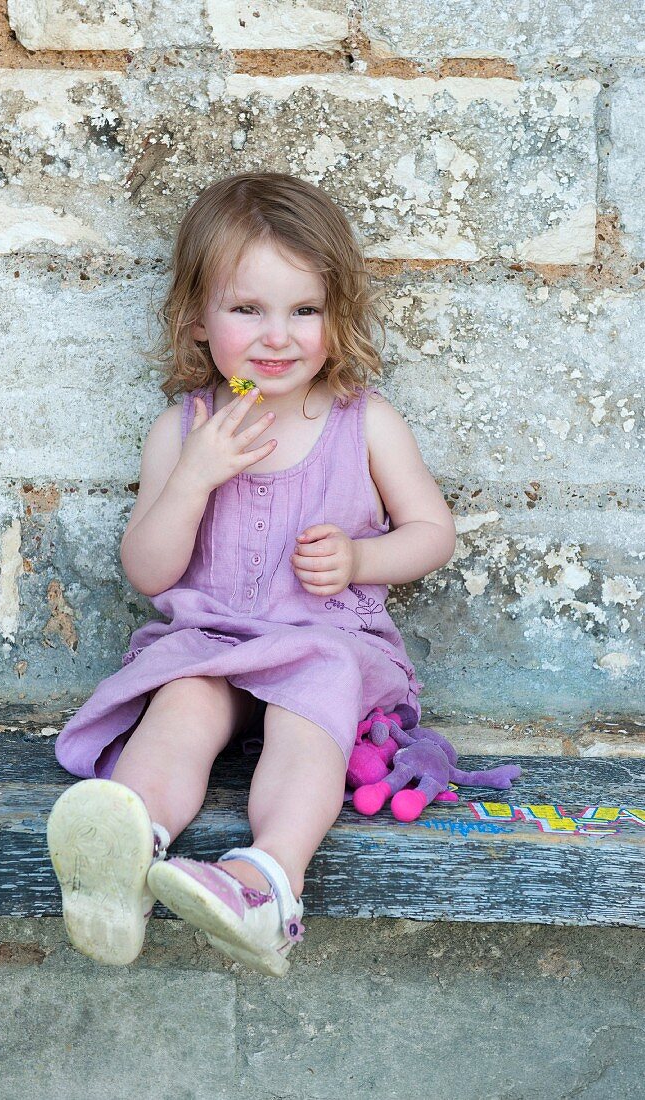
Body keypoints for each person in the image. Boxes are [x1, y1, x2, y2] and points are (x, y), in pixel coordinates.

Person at [46, 172, 457, 977]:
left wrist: (363, 558)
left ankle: (268, 881)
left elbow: (432, 532)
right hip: (215, 639)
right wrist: (195, 477)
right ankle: (121, 856)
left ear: (337, 321)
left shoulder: (363, 421)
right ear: (199, 320)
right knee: (181, 702)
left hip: (328, 642)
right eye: (248, 310)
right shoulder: (188, 427)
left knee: (311, 715)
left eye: (304, 310)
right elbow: (149, 571)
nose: (279, 337)